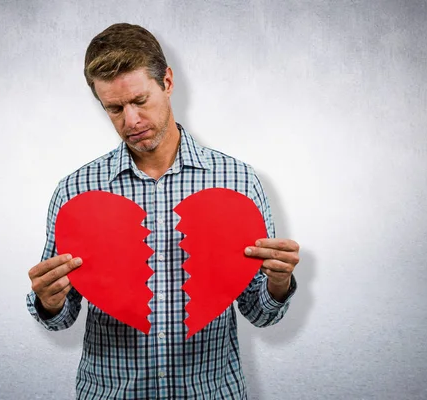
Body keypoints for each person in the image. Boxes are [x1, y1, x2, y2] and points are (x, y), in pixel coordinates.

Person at [26, 23, 300, 399]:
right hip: (112, 392)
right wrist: (49, 301)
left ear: (167, 82)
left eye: (140, 101)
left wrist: (279, 282)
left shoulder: (238, 181)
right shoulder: (76, 192)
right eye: (115, 109)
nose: (131, 121)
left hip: (211, 392)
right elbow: (61, 317)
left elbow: (260, 312)